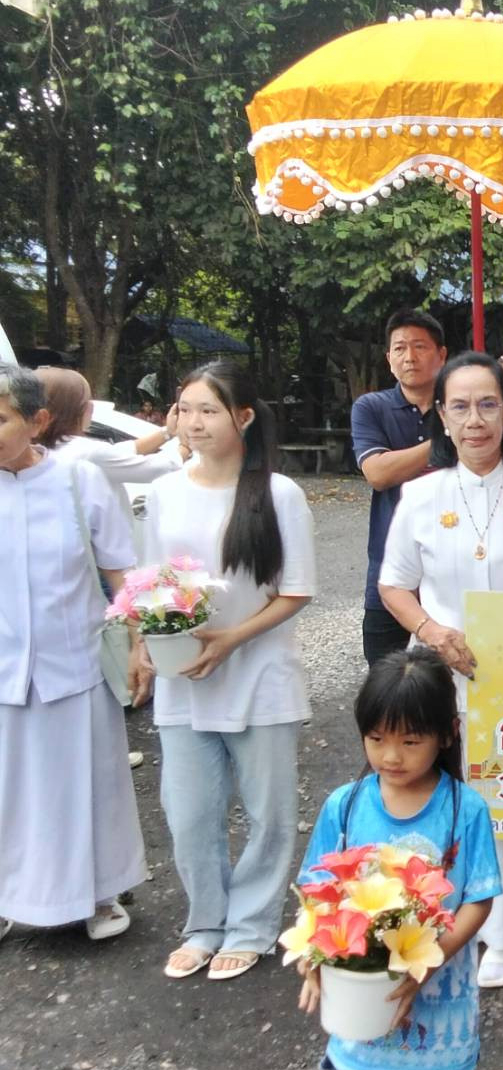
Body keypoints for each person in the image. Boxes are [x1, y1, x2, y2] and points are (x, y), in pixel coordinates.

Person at [378, 352, 503, 987]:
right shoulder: (419, 495)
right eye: (459, 406)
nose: (474, 420)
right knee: (441, 800)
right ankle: (435, 918)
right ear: (440, 416)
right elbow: (395, 586)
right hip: (443, 675)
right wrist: (432, 632)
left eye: (488, 404)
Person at [138, 361, 316, 981]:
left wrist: (233, 639)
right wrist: (146, 643)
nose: (193, 423)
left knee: (268, 812)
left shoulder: (278, 494)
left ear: (243, 417)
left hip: (259, 672)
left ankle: (252, 925)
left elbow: (295, 591)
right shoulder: (164, 492)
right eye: (185, 410)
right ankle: (205, 922)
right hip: (185, 675)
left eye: (208, 411)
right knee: (188, 812)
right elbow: (155, 583)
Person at [295, 649, 501, 1070]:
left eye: (410, 742)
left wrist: (433, 959)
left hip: (438, 1006)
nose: (390, 756)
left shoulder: (465, 811)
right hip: (359, 1010)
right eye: (376, 738)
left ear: (448, 734)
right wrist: (313, 958)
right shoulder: (344, 806)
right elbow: (316, 893)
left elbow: (478, 899)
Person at [0, 365, 149, 947]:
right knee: (9, 787)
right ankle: (12, 896)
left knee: (88, 782)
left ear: (37, 422)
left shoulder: (77, 480)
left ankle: (98, 892)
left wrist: (141, 644)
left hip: (75, 661)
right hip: (4, 665)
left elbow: (121, 572)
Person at [351, 309, 449, 667]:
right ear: (388, 358)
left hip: (453, 565)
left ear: (441, 355)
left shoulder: (458, 405)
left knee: (457, 678)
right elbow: (377, 473)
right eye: (400, 348)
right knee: (387, 681)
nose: (410, 357)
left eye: (420, 347)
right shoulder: (371, 407)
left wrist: (455, 419)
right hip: (390, 566)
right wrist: (447, 435)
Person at [38, 365, 182, 523]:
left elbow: (122, 451)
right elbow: (157, 468)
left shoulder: (40, 449)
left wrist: (167, 432)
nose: (91, 407)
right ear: (75, 410)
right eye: (87, 402)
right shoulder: (84, 452)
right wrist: (187, 444)